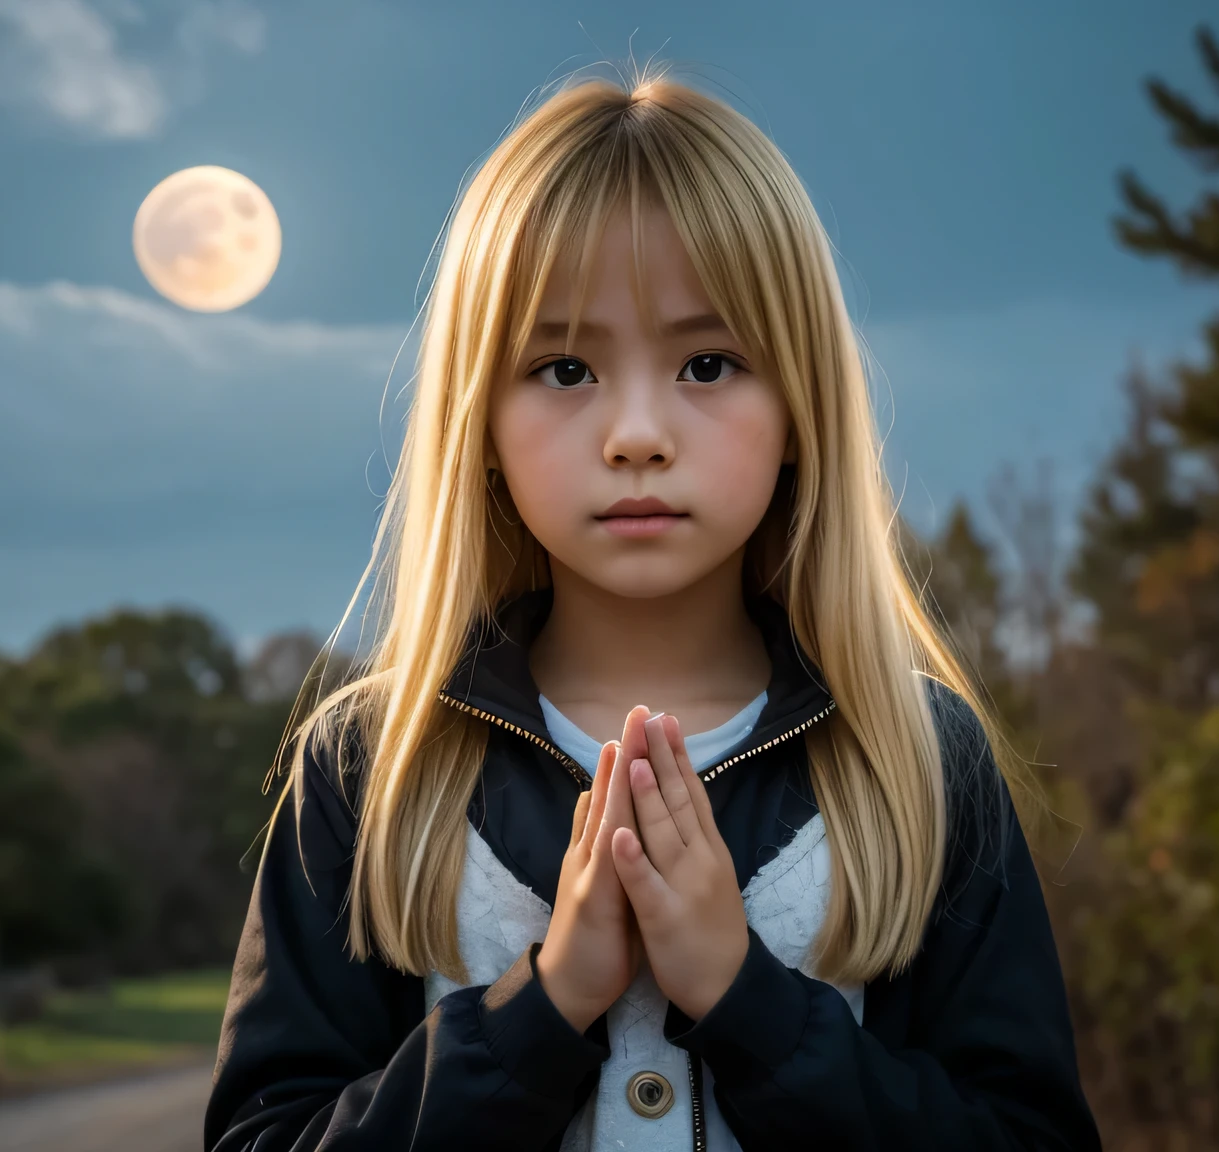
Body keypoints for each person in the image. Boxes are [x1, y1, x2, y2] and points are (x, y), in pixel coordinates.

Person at [204, 69, 1101, 1152]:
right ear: (478, 418)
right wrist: (540, 1011)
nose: (635, 431)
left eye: (708, 364)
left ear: (800, 409)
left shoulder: (919, 761)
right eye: (565, 366)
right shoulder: (366, 765)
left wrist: (745, 1000)